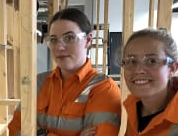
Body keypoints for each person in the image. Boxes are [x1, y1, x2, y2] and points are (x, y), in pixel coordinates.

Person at [8, 8, 121, 136]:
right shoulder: (38, 83)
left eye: (69, 38)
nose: (59, 47)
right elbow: (15, 130)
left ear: (88, 40)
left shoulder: (103, 88)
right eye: (54, 40)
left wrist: (38, 132)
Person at [121, 28, 178, 135]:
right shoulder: (134, 105)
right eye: (132, 61)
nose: (139, 70)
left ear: (173, 68)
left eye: (152, 61)